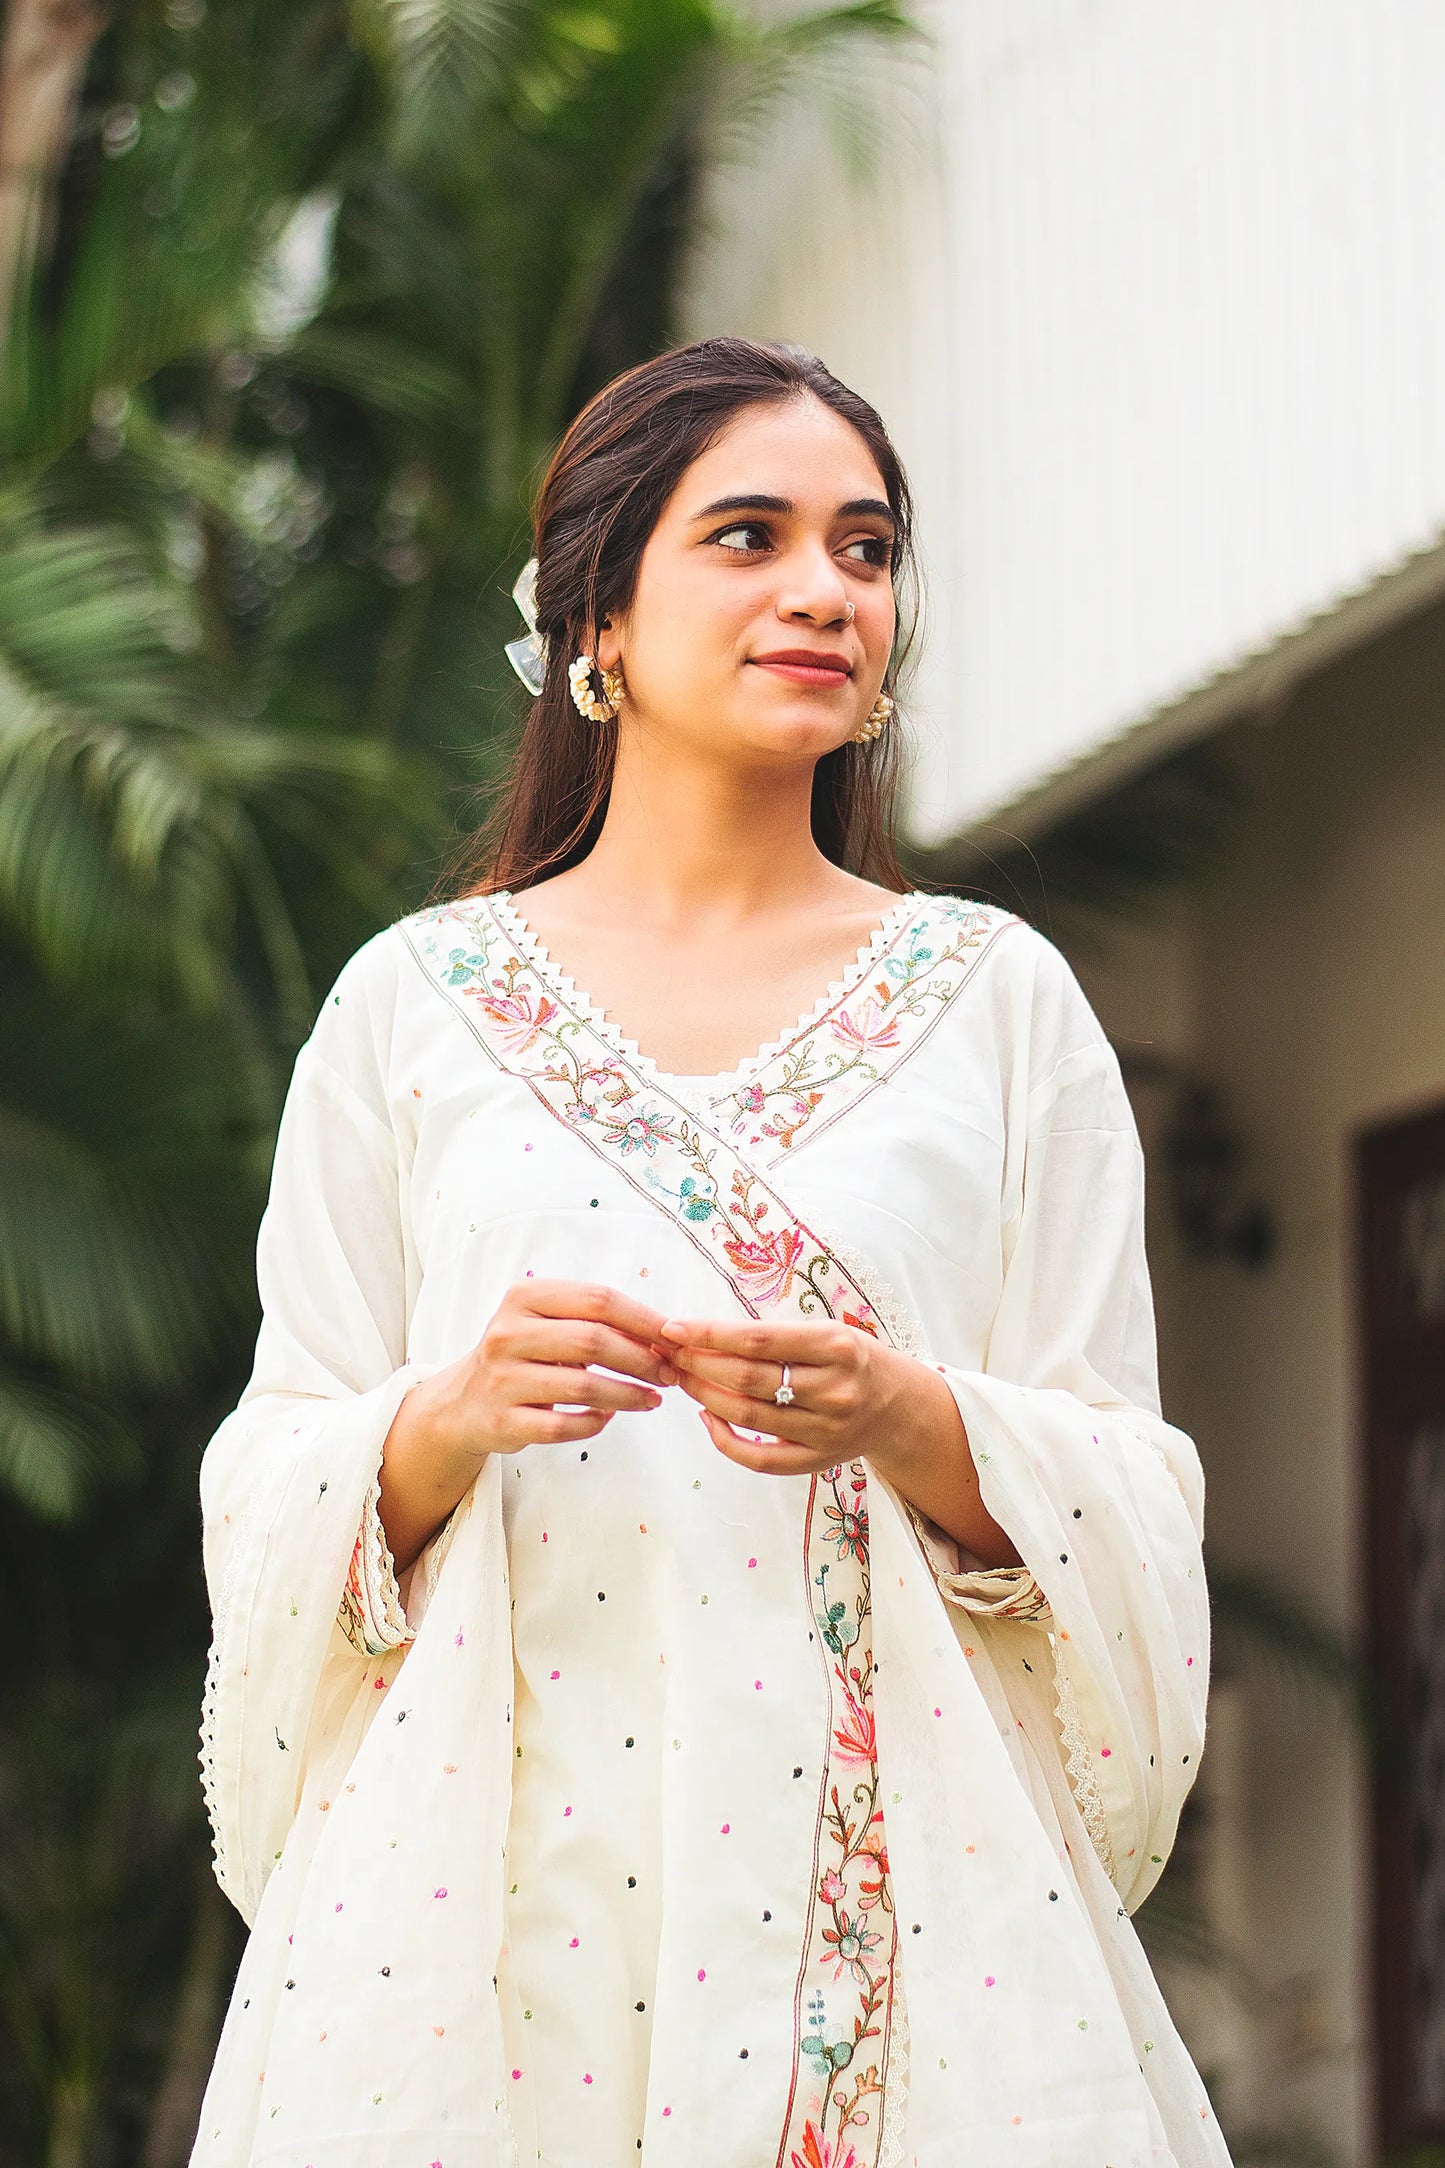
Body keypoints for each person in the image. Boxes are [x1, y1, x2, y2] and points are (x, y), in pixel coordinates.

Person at [191, 336, 1230, 2168]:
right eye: (747, 537)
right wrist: (442, 1421)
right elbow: (274, 1465)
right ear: (596, 615)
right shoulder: (410, 1007)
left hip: (922, 1941)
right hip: (498, 1931)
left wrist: (914, 1417)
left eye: (867, 547)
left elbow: (1129, 1484)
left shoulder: (997, 1004)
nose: (825, 590)